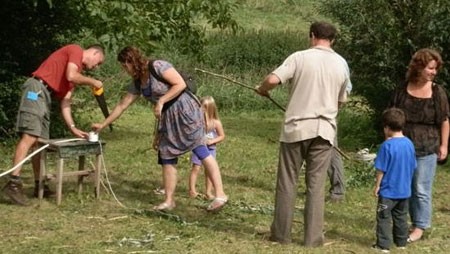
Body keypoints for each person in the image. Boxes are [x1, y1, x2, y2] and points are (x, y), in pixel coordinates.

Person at [92, 46, 228, 212]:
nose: (124, 69)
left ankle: (220, 194)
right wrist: (103, 124)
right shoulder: (138, 82)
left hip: (185, 112)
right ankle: (169, 200)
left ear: (131, 61)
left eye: (124, 66)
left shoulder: (158, 66)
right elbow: (122, 105)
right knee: (166, 154)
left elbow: (180, 84)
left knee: (200, 149)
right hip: (168, 118)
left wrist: (161, 101)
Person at [255, 21, 351, 247]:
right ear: (333, 40)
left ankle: (281, 235)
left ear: (312, 35)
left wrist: (262, 89)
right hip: (325, 131)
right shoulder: (341, 63)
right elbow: (341, 100)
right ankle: (313, 238)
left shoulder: (299, 57)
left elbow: (272, 80)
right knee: (316, 186)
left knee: (287, 182)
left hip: (296, 128)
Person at [2, 44, 105, 206]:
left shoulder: (77, 74)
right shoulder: (76, 50)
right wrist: (93, 82)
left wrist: (73, 127)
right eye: (98, 62)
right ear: (94, 52)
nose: (96, 67)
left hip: (46, 98)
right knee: (30, 136)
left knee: (40, 144)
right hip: (36, 90)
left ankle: (39, 185)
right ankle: (13, 183)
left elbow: (66, 103)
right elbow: (71, 75)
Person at [389, 48, 449, 242]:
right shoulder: (402, 88)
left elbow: (444, 120)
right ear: (419, 67)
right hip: (402, 146)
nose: (433, 72)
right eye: (430, 68)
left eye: (435, 69)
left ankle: (420, 226)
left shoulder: (437, 92)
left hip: (428, 145)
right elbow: (392, 115)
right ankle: (401, 221)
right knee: (403, 185)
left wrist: (444, 146)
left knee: (421, 188)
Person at [372, 108, 416, 252]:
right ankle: (401, 242)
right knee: (401, 217)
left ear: (386, 127)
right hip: (404, 190)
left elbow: (381, 169)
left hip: (388, 191)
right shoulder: (409, 144)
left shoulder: (387, 146)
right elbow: (413, 165)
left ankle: (383, 245)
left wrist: (377, 185)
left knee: (384, 217)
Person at [188, 96, 225, 200]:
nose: (202, 109)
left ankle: (208, 192)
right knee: (196, 168)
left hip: (211, 149)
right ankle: (192, 190)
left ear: (210, 108)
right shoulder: (198, 121)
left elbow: (222, 136)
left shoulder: (216, 122)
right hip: (199, 147)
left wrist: (212, 141)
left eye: (204, 107)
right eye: (200, 106)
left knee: (209, 170)